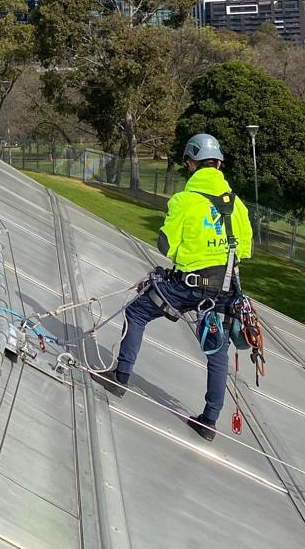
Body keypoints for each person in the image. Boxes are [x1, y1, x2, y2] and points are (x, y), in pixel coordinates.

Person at [97, 132, 252, 443]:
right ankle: (209, 421)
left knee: (138, 312)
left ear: (190, 164)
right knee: (217, 349)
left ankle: (120, 377)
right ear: (219, 164)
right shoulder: (237, 206)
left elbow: (166, 244)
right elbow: (245, 249)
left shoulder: (184, 201)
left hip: (188, 286)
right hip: (226, 287)